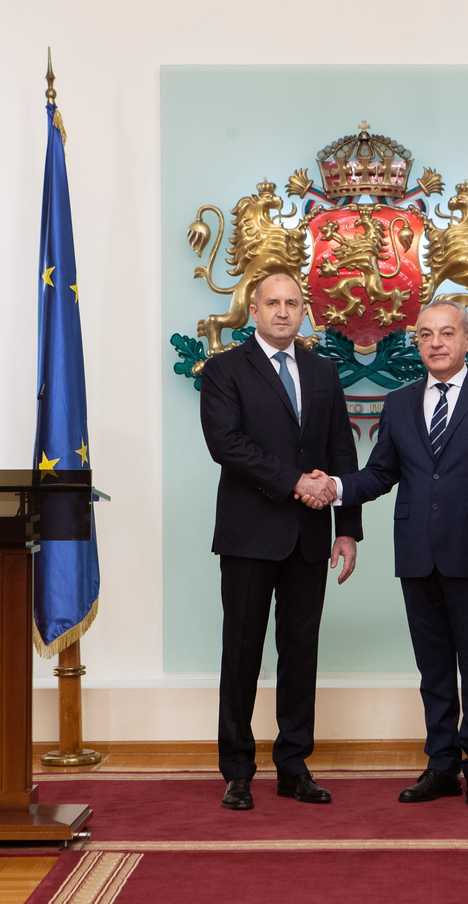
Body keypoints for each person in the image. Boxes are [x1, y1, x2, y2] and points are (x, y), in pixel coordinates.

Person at [303, 299, 468, 807]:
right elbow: (381, 473)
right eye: (426, 335)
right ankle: (442, 765)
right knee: (433, 667)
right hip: (416, 553)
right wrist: (335, 487)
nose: (436, 343)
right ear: (417, 344)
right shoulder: (400, 403)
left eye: (447, 333)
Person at [200, 270, 361, 811]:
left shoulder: (322, 371)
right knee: (241, 654)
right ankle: (237, 771)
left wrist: (348, 528)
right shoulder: (224, 369)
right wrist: (295, 482)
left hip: (310, 539)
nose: (283, 312)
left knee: (300, 654)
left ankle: (293, 767)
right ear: (254, 309)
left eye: (292, 303)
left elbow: (342, 451)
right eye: (273, 302)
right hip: (249, 536)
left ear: (304, 311)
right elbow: (227, 444)